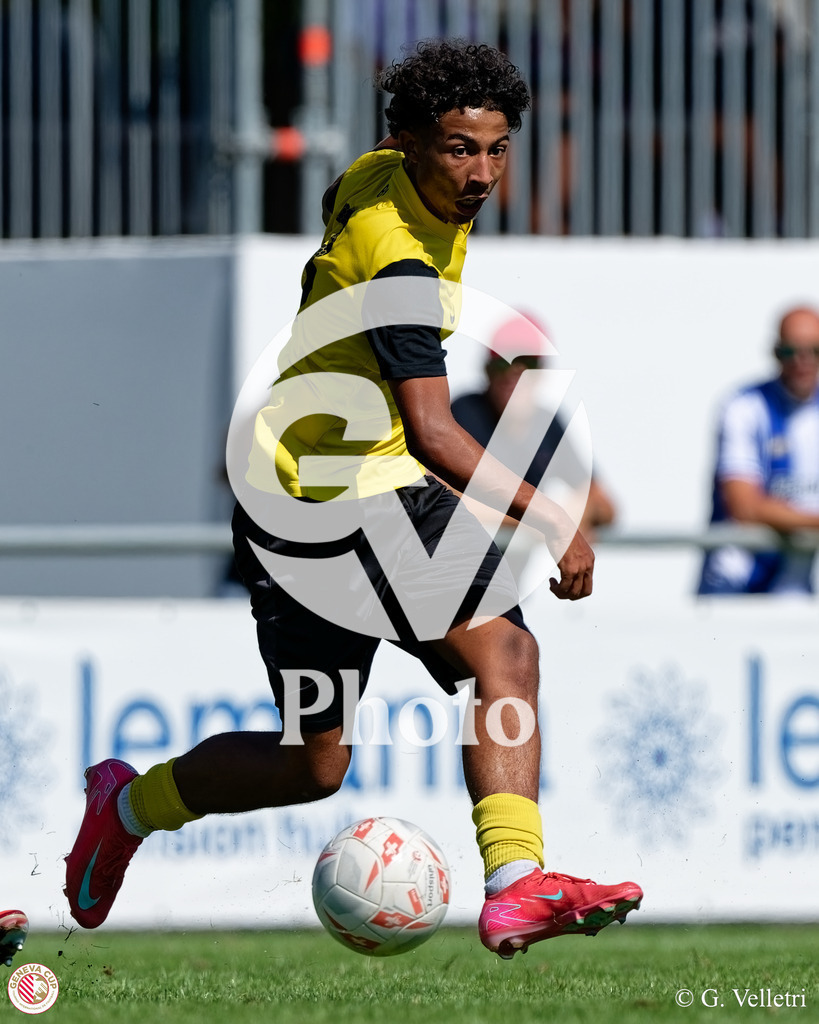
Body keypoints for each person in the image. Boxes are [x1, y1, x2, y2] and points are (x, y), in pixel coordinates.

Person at [64, 39, 642, 959]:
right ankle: (515, 884)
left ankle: (127, 806)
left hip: (303, 491)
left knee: (313, 763)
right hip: (342, 500)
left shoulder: (375, 174)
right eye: (459, 149)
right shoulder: (398, 265)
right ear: (409, 141)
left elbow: (346, 202)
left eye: (497, 148)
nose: (481, 174)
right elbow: (433, 431)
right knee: (500, 656)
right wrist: (552, 513)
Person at [451, 311, 617, 545]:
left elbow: (605, 504)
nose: (514, 374)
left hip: (508, 565)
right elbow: (444, 496)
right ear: (488, 371)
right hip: (459, 561)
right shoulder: (464, 414)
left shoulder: (548, 425)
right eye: (503, 363)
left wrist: (574, 515)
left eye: (527, 364)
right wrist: (541, 518)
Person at [698, 305, 819, 595]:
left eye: (814, 351)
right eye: (790, 352)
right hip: (734, 586)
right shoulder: (744, 407)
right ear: (775, 352)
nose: (802, 361)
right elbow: (745, 507)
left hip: (795, 591)